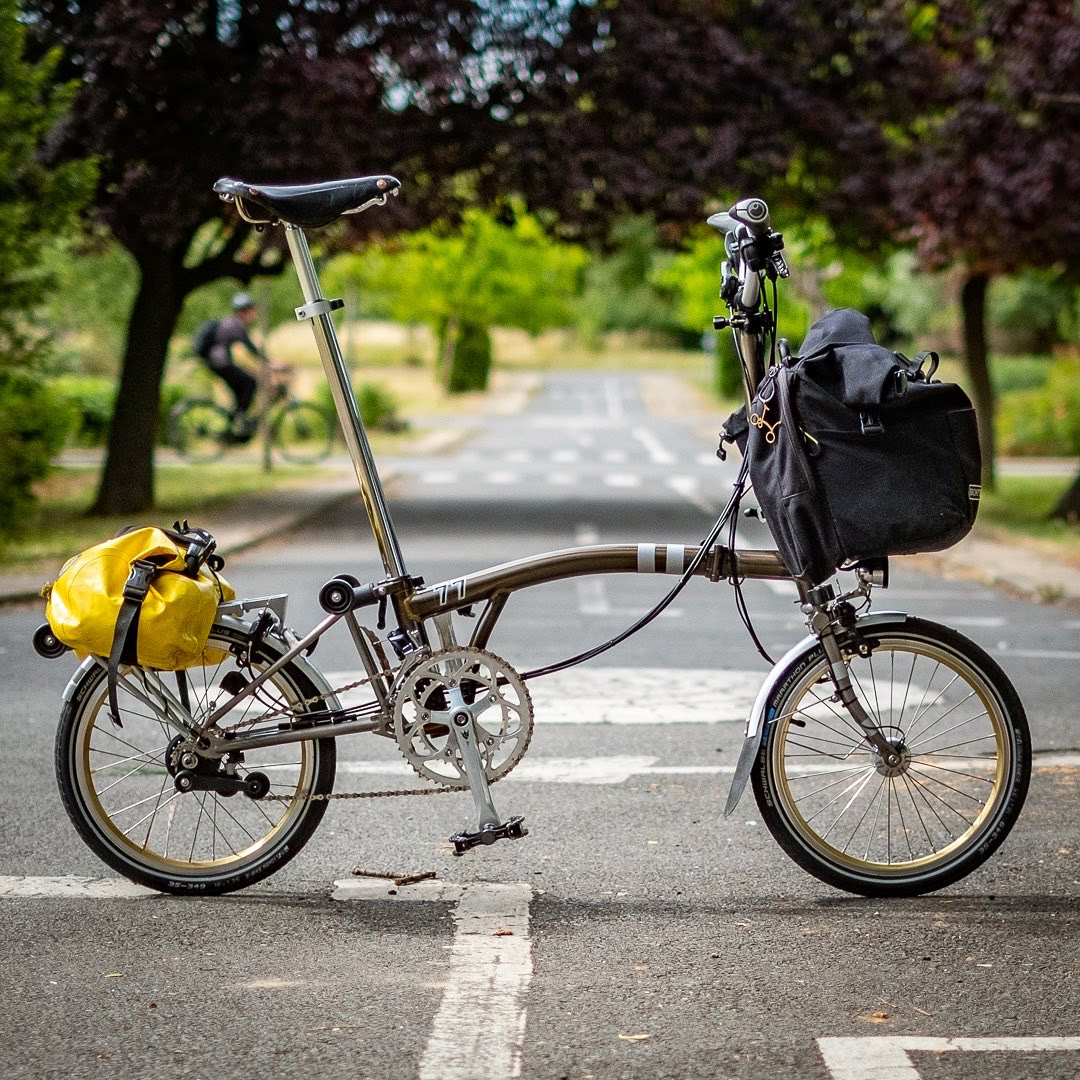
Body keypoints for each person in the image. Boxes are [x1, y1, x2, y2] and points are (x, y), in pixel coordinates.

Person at [193, 292, 266, 439]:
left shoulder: (229, 323)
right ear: (244, 311)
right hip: (220, 363)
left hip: (218, 363)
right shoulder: (235, 325)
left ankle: (234, 423)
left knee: (242, 389)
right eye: (252, 310)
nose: (254, 314)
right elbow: (250, 347)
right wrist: (269, 362)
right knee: (250, 383)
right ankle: (237, 422)